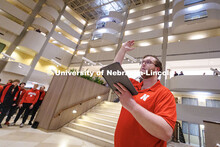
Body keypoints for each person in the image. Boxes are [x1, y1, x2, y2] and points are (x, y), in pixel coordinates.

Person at [113, 40, 177, 147]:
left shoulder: (164, 93)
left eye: (148, 62)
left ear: (157, 69)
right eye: (142, 62)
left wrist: (132, 105)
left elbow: (166, 133)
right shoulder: (133, 86)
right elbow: (114, 72)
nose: (143, 64)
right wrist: (123, 50)